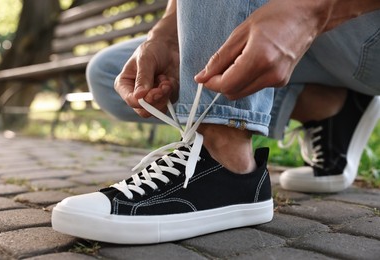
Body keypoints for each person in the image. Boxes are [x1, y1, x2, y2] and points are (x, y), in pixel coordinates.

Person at [51, 0, 380, 244]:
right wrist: (166, 32)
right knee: (109, 72)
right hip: (324, 40)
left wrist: (309, 11)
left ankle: (225, 154)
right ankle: (332, 107)